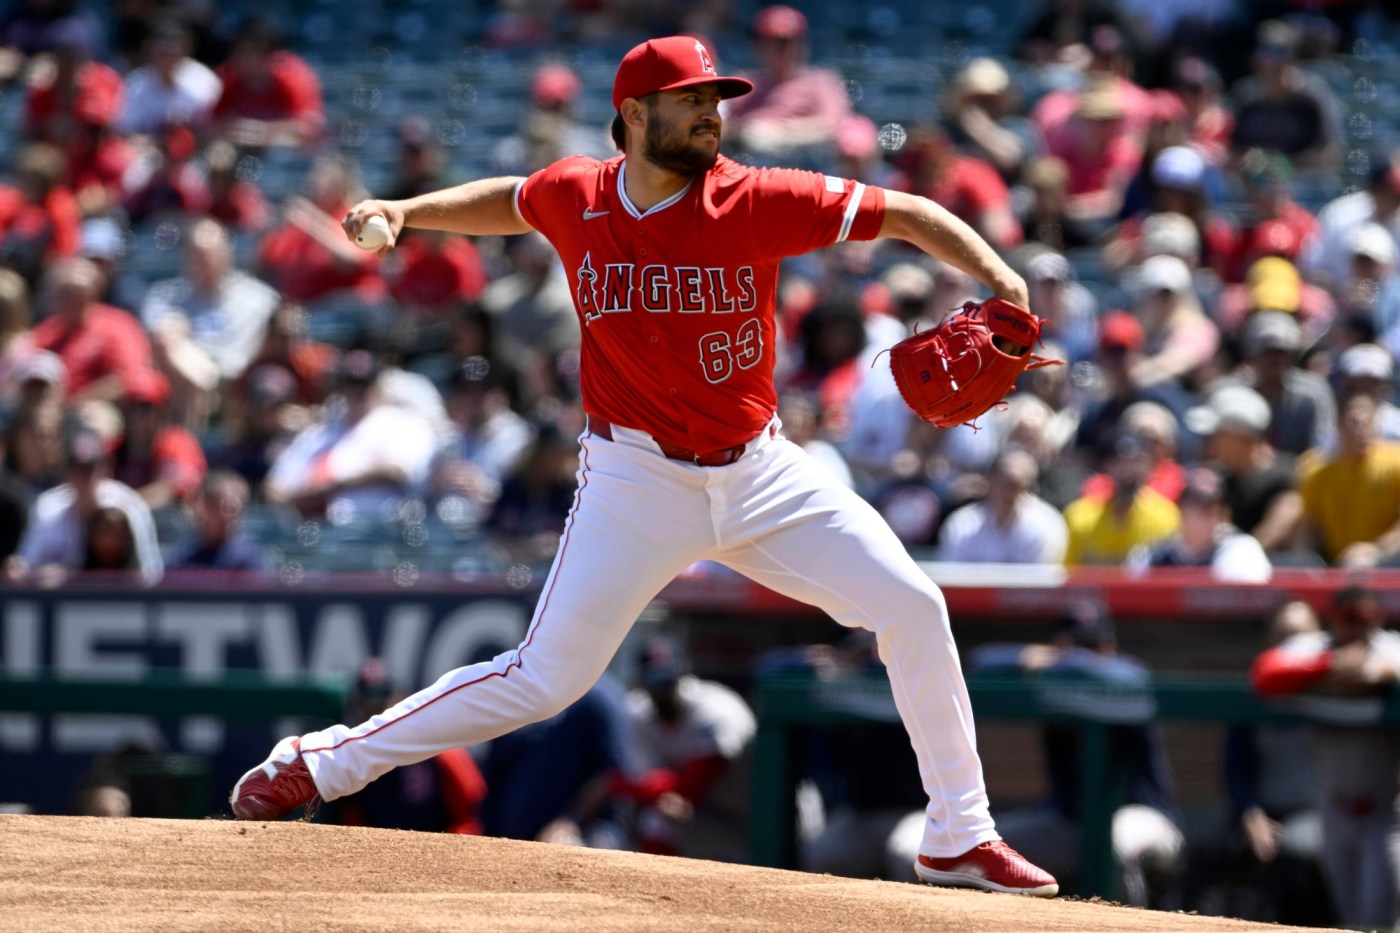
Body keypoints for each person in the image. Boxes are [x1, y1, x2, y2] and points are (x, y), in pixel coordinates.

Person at [230, 35, 1061, 896]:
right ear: (634, 114)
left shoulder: (757, 197)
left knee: (913, 604)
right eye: (692, 99)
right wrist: (409, 210)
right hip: (635, 481)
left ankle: (959, 832)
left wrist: (1004, 276)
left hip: (762, 471)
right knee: (545, 679)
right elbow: (512, 202)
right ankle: (319, 763)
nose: (712, 113)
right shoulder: (578, 193)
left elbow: (907, 212)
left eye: (716, 99)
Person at [968, 601, 1184, 907]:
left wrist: (1068, 659)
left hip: (1145, 815)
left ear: (1111, 644)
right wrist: (1048, 658)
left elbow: (1130, 677)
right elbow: (980, 661)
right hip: (1068, 822)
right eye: (1076, 644)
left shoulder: (1128, 672)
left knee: (1112, 844)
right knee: (983, 849)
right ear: (1056, 645)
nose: (1085, 654)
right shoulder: (1052, 668)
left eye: (1093, 644)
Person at [1251, 585, 1400, 930]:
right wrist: (1328, 666)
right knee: (1348, 919)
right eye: (1348, 619)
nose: (1356, 628)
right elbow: (1264, 673)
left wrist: (1371, 672)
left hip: (1387, 813)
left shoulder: (1390, 647)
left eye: (1365, 620)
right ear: (1333, 620)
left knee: (1378, 916)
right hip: (1335, 808)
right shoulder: (1315, 649)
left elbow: (1376, 670)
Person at [617, 638, 756, 857]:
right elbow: (651, 781)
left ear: (682, 675)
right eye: (653, 682)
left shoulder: (718, 709)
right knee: (656, 822)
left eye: (666, 681)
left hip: (761, 814)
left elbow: (693, 786)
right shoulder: (638, 713)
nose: (661, 690)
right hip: (707, 816)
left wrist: (622, 785)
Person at [11, 427, 162, 586]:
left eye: (90, 470)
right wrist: (37, 575)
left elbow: (151, 574)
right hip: (62, 605)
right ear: (66, 473)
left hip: (120, 602)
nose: (85, 479)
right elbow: (23, 568)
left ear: (105, 470)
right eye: (78, 470)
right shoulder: (48, 509)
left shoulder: (128, 506)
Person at [1297, 393, 1400, 568]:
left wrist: (1376, 550)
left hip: (1387, 563)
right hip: (1335, 563)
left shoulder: (1395, 463)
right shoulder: (1318, 472)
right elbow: (1308, 525)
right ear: (1338, 425)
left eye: (1366, 422)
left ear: (1376, 424)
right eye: (1352, 422)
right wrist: (1304, 562)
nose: (1358, 429)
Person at [937, 446, 1068, 564]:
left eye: (1019, 485)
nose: (1010, 492)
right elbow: (953, 578)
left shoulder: (1046, 525)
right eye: (1005, 482)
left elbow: (1040, 583)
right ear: (990, 479)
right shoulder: (962, 525)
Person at [1138, 466, 1272, 582]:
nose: (1212, 517)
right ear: (1181, 510)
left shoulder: (1241, 548)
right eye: (1203, 509)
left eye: (1216, 509)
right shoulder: (1153, 555)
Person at [164, 469, 270, 574]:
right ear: (203, 506)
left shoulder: (249, 557)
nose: (232, 516)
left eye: (237, 509)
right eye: (225, 508)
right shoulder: (183, 556)